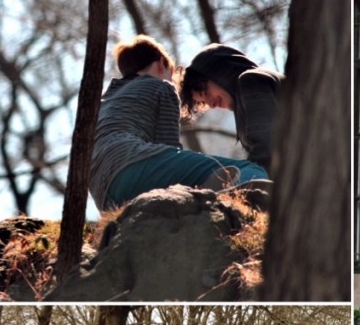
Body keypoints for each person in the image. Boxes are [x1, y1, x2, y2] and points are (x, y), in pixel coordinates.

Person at [90, 35, 269, 211]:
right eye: (171, 74)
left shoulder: (105, 101)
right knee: (248, 168)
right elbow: (168, 146)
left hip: (103, 194)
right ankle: (238, 202)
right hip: (134, 163)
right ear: (161, 64)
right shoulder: (161, 86)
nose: (172, 82)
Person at [178, 44, 284, 170]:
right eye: (204, 102)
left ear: (218, 73)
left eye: (206, 93)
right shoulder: (246, 88)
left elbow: (265, 149)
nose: (211, 105)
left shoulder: (250, 80)